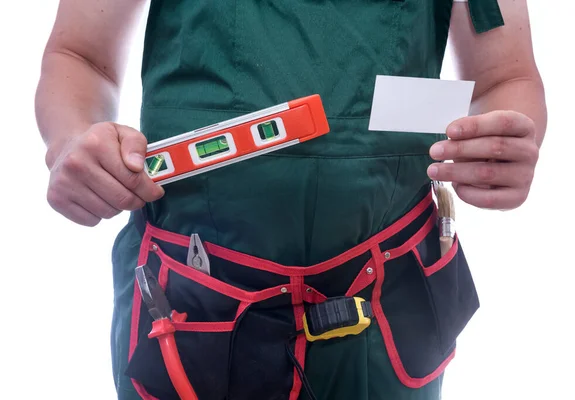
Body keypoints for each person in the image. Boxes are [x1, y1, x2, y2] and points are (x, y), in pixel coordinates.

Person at [35, 0, 547, 399]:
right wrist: (71, 139)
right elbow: (81, 56)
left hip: (388, 312)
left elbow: (507, 78)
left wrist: (505, 143)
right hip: (192, 305)